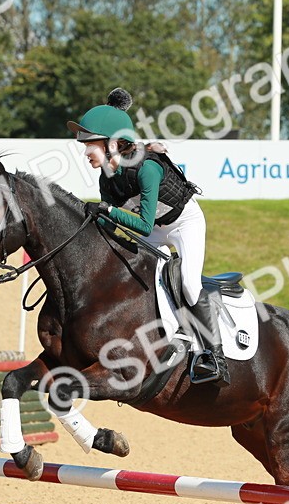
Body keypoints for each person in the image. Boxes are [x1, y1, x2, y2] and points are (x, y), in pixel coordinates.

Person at [67, 87, 226, 385]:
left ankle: (214, 356)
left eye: (91, 144)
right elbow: (117, 227)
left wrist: (108, 211)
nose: (86, 152)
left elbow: (141, 224)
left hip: (183, 225)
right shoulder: (107, 177)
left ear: (114, 143)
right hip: (153, 230)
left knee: (190, 284)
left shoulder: (147, 168)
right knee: (132, 276)